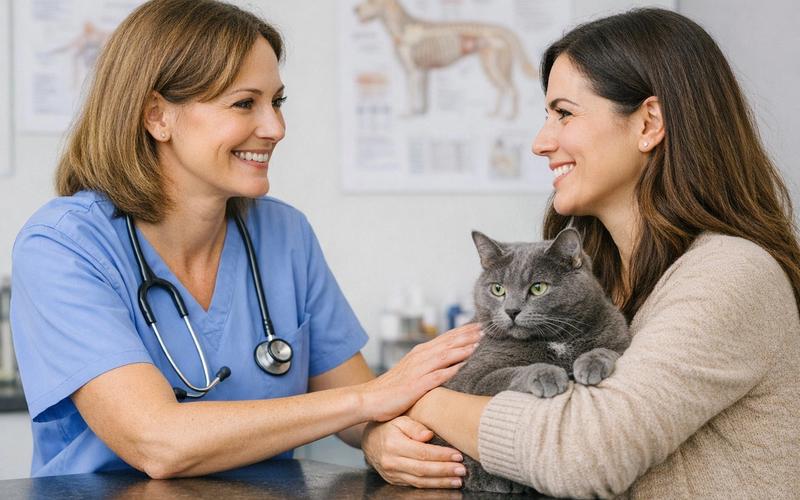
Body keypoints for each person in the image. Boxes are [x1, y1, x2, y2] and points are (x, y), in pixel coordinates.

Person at [10, 0, 479, 484]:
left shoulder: (284, 235)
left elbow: (368, 409)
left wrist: (378, 435)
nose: (275, 128)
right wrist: (367, 402)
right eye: (244, 103)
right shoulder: (63, 247)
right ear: (157, 117)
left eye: (276, 102)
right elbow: (156, 441)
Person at [372, 8, 800, 498]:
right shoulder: (608, 279)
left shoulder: (732, 273)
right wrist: (382, 435)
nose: (540, 142)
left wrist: (416, 400)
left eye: (564, 113)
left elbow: (582, 455)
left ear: (649, 122)